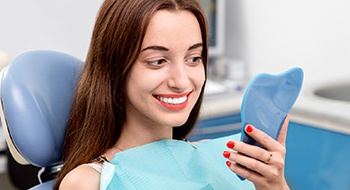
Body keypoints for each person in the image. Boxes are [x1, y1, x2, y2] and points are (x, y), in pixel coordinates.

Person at [55, 0, 290, 189]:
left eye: (193, 59)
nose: (181, 81)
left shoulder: (223, 159)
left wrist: (274, 186)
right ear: (115, 68)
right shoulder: (89, 182)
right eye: (157, 61)